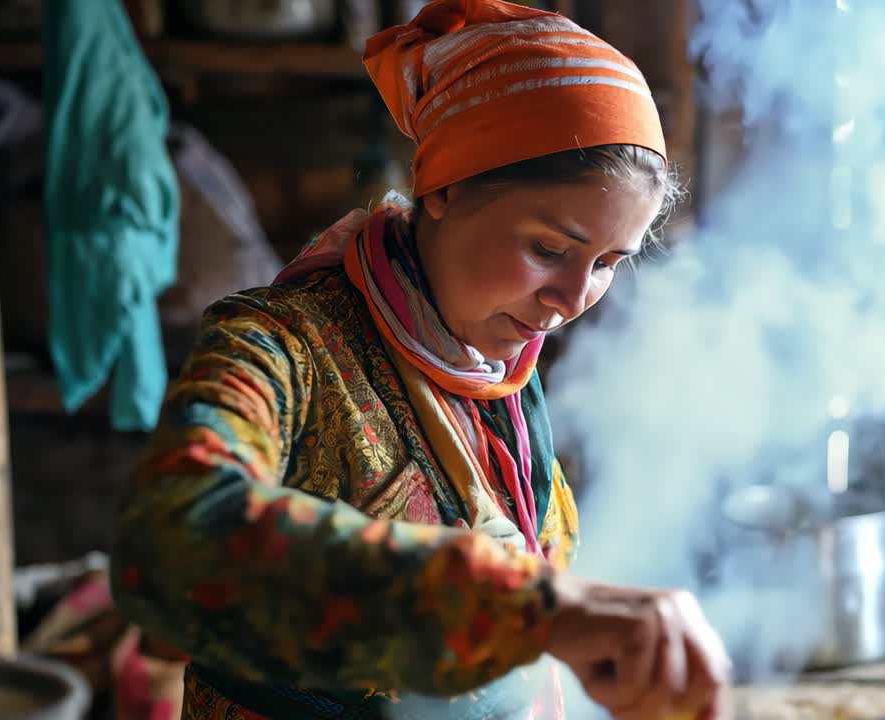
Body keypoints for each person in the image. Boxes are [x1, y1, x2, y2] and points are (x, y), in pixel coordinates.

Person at [110, 1, 732, 718]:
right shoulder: (281, 348)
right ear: (445, 188)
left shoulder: (503, 383)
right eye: (549, 250)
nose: (571, 299)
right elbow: (169, 540)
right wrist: (536, 609)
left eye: (607, 263)